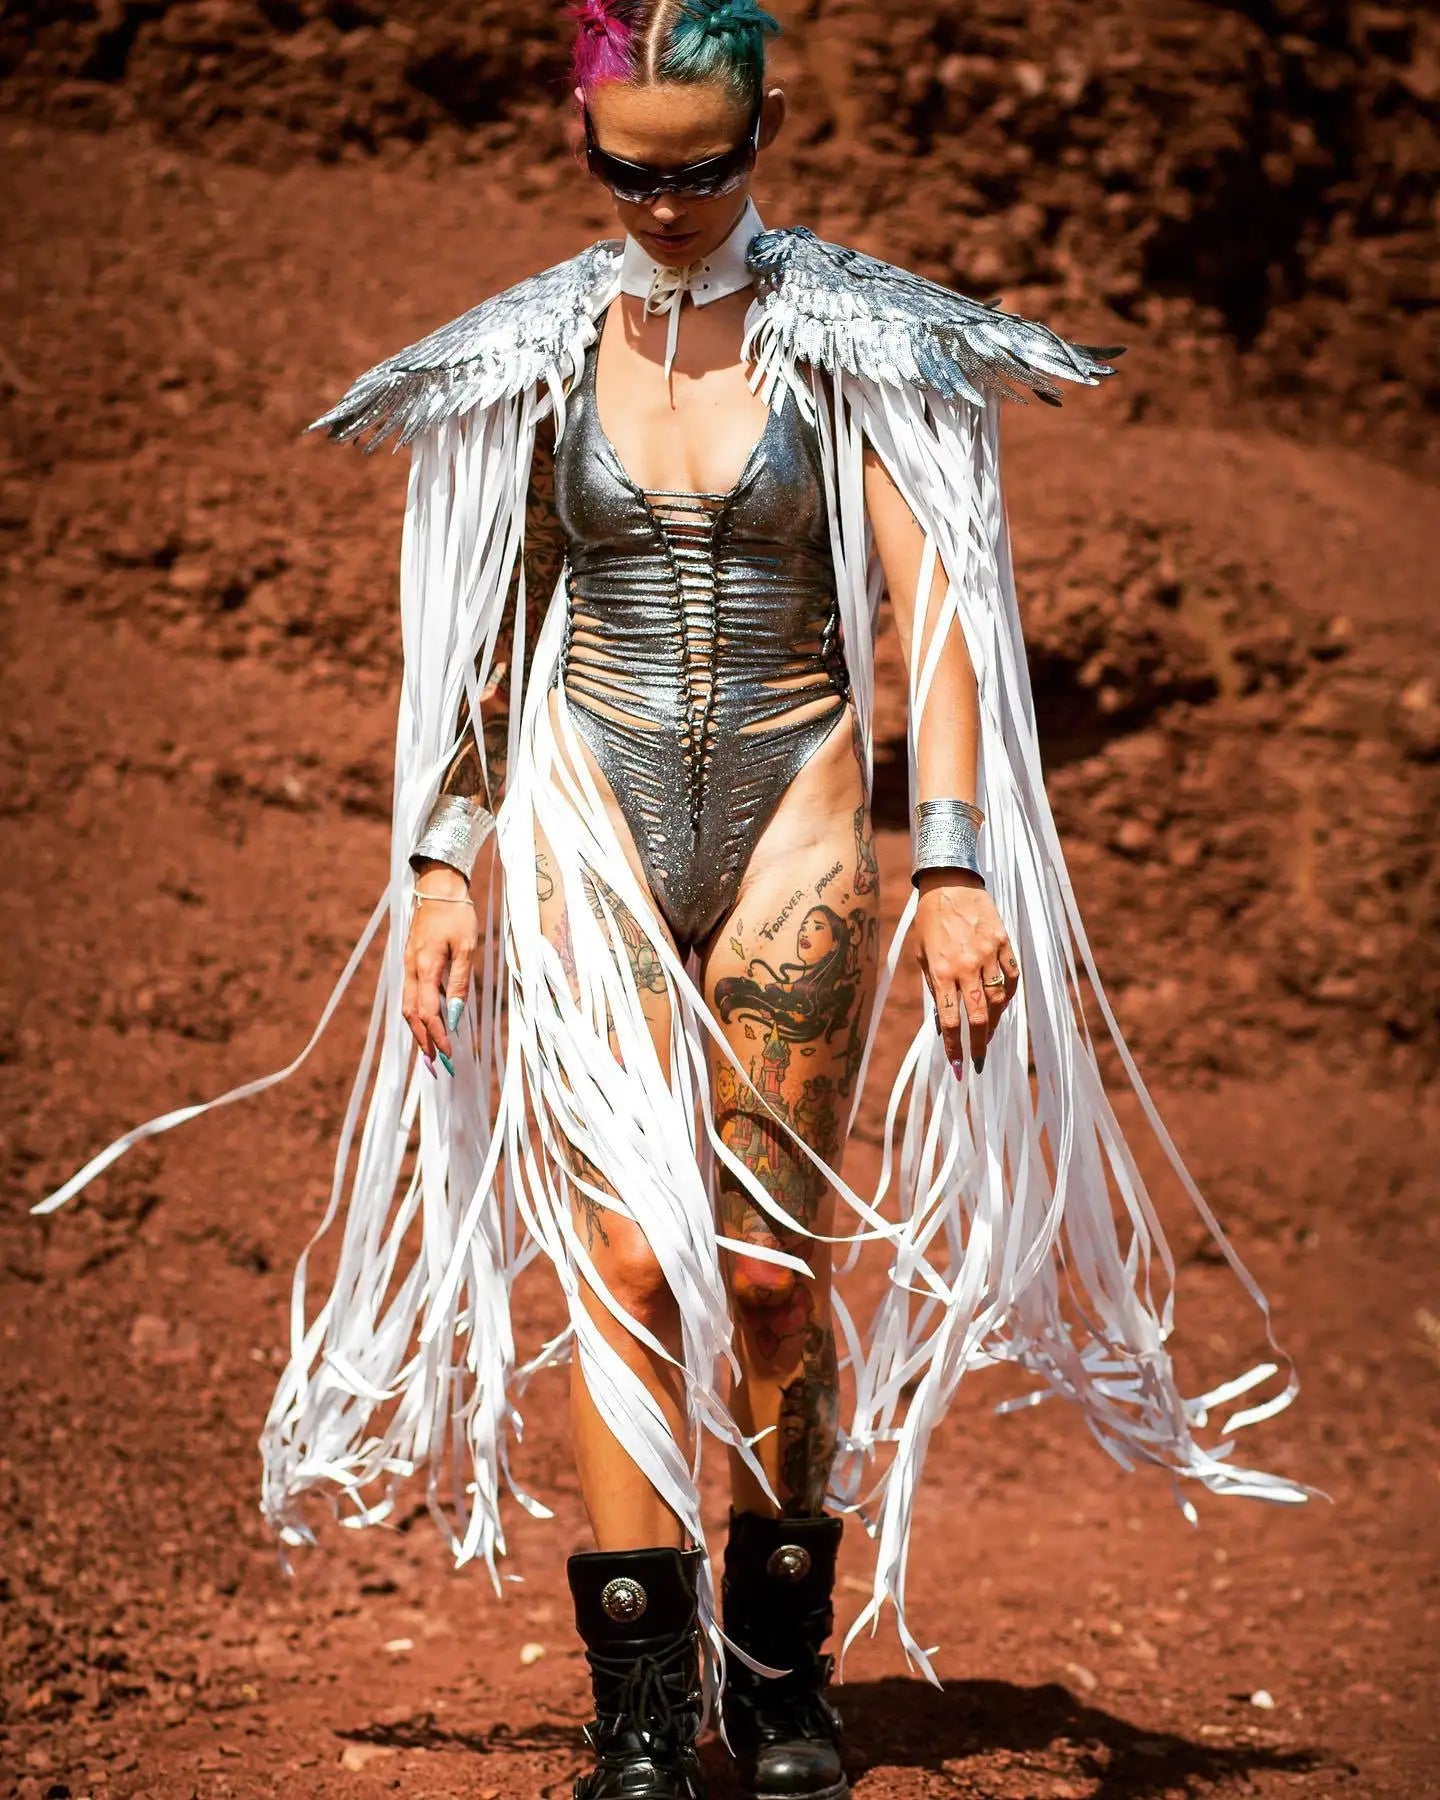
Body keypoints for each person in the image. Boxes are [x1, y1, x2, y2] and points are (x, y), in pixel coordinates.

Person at [36, 4, 1314, 1798]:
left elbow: (933, 602)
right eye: (626, 169)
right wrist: (439, 857)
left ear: (769, 127)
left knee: (774, 1275)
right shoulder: (540, 350)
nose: (666, 204)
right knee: (630, 1259)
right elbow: (491, 625)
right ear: (585, 145)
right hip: (590, 819)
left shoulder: (857, 340)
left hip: (800, 806)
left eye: (704, 164)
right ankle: (640, 1700)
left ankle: (781, 1669)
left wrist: (951, 859)